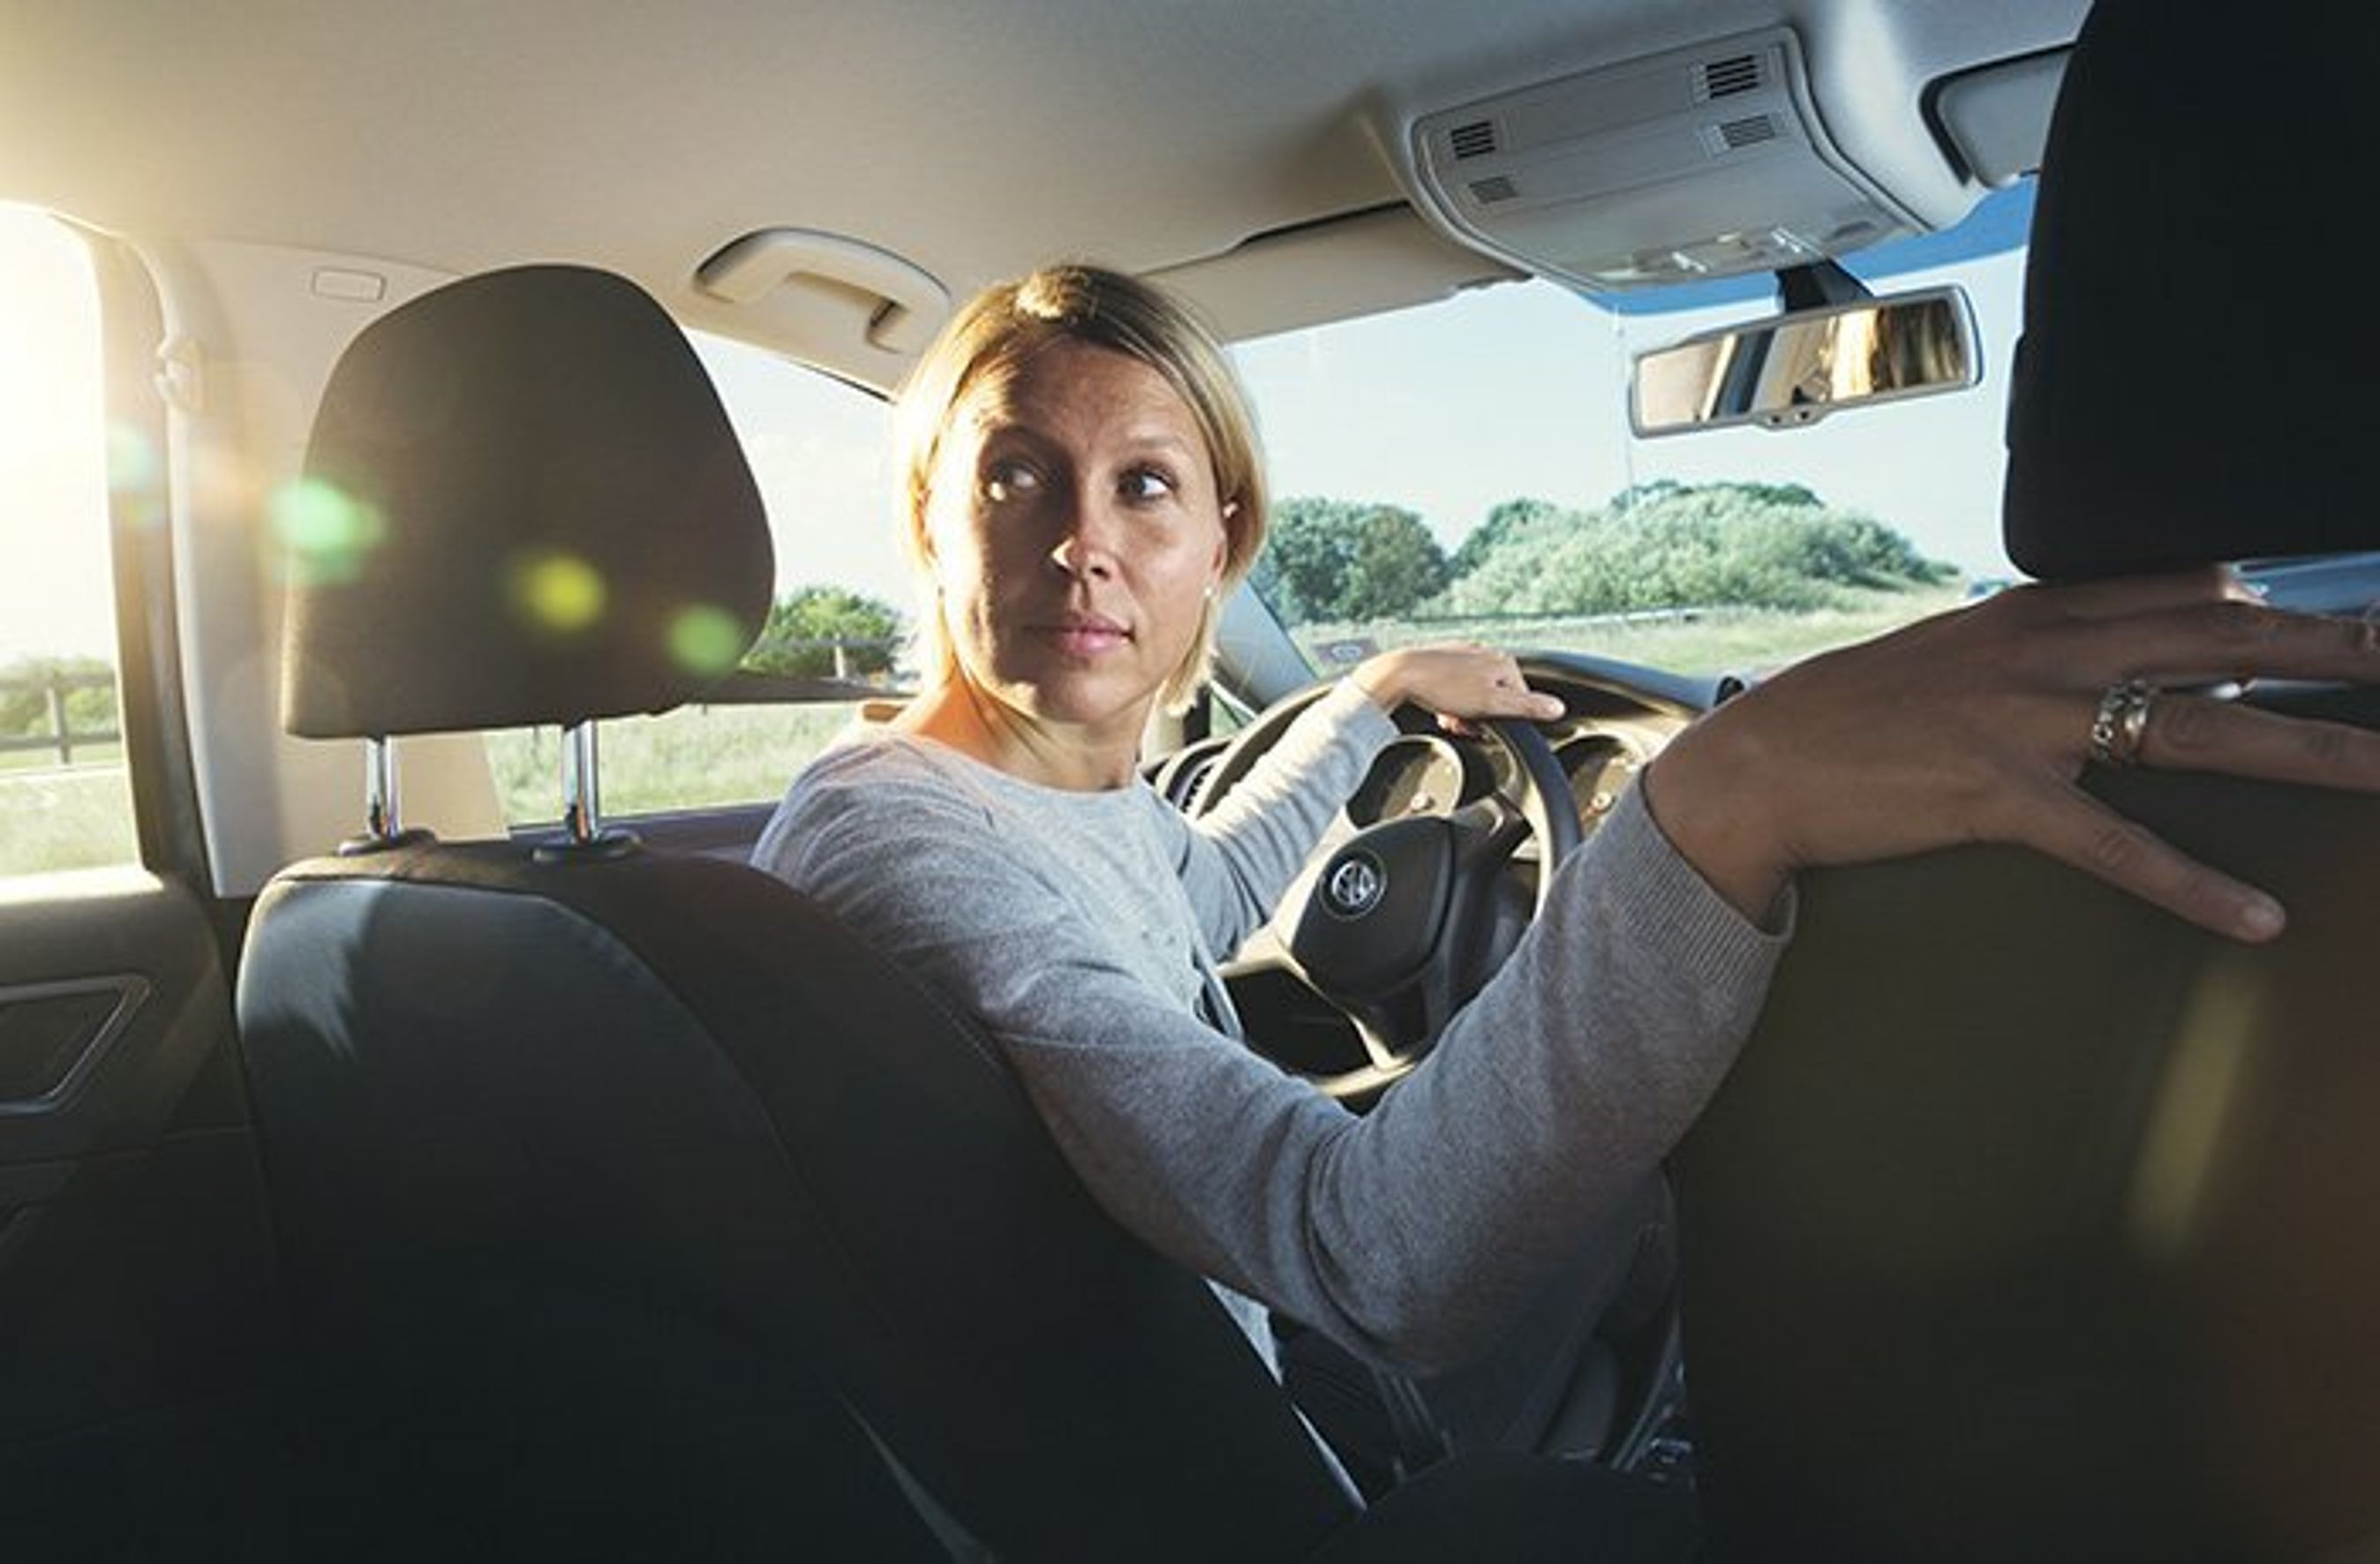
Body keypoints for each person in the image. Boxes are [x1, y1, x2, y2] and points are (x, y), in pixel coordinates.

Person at [750, 262, 2380, 1499]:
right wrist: (1710, 803)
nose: (1081, 542)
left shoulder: (1041, 800)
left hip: (1199, 1387)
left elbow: (1212, 881)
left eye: (1145, 484)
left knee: (1619, 1188)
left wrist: (1367, 696)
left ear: (1221, 548)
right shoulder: (903, 847)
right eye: (1015, 475)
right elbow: (1365, 1250)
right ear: (929, 520)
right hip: (1210, 1480)